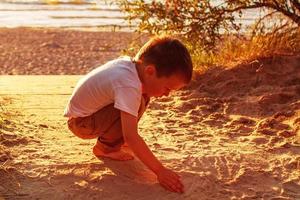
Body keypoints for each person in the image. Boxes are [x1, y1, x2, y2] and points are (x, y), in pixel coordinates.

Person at [64, 35, 193, 193]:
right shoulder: (128, 84)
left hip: (89, 116)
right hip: (81, 123)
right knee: (136, 100)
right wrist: (160, 171)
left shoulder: (131, 67)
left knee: (142, 96)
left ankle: (115, 139)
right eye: (167, 88)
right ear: (150, 71)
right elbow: (132, 136)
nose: (167, 95)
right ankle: (105, 148)